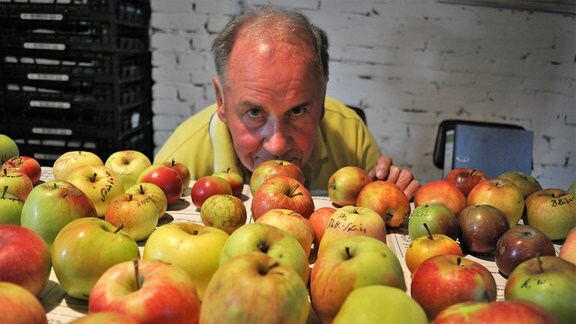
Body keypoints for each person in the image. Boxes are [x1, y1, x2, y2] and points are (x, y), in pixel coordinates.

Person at [154, 5, 420, 199]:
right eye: (255, 112)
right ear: (221, 101)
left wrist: (391, 187)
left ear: (322, 100)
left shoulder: (352, 136)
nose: (277, 145)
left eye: (297, 110)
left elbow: (382, 202)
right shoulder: (177, 163)